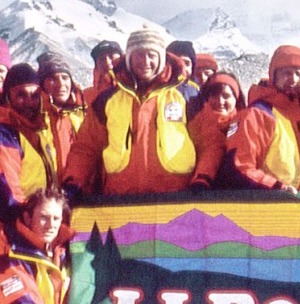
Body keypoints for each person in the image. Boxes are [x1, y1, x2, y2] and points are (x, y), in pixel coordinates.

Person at [62, 27, 223, 196]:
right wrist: (73, 182)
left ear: (161, 58)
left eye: (151, 55)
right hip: (120, 201)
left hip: (175, 199)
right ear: (129, 58)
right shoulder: (107, 100)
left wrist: (202, 178)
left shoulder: (187, 96)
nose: (145, 61)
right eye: (139, 55)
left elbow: (211, 142)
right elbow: (86, 148)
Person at [0, 63, 64, 222]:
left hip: (40, 222)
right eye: (20, 95)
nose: (28, 102)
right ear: (7, 98)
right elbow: (2, 192)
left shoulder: (35, 131)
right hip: (13, 229)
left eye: (34, 96)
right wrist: (25, 220)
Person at [0, 188, 75, 304]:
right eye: (43, 217)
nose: (50, 224)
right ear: (28, 218)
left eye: (56, 218)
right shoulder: (10, 255)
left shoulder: (61, 253)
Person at [230, 46, 300, 192]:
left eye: (299, 74)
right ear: (274, 75)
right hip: (273, 207)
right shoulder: (259, 115)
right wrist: (276, 187)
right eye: (286, 73)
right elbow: (240, 166)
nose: (293, 79)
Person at [37, 52, 87, 188]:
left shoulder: (82, 114)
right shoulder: (36, 117)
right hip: (47, 197)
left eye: (65, 77)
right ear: (42, 83)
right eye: (52, 79)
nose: (61, 84)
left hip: (81, 194)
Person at [198, 72, 247, 189]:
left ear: (236, 98)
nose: (220, 101)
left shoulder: (244, 125)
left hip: (237, 192)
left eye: (226, 96)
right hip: (200, 192)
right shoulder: (195, 124)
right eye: (215, 95)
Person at [82, 40, 123, 105]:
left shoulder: (135, 90)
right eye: (102, 59)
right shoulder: (86, 97)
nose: (107, 62)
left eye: (111, 57)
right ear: (96, 65)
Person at [166, 39, 201, 106]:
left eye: (186, 63)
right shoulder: (160, 89)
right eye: (176, 62)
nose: (182, 67)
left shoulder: (195, 89)